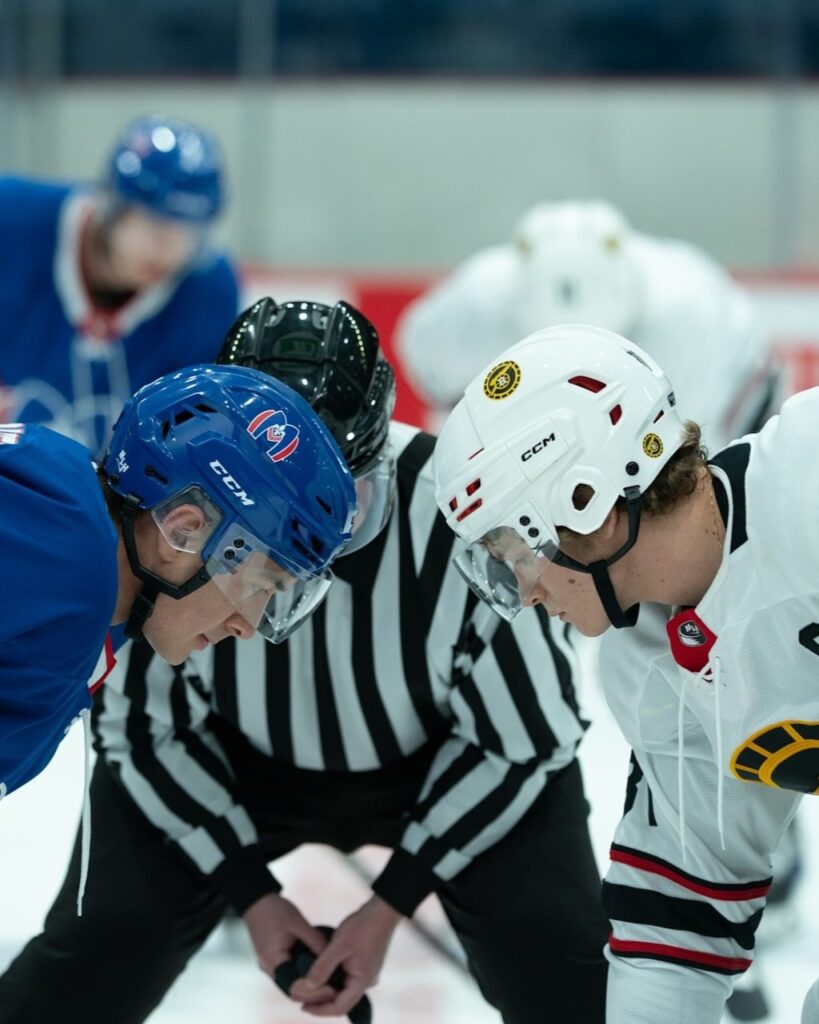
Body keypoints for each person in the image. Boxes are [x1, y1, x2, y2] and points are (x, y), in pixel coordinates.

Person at [0, 299, 610, 1024]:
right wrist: (250, 892)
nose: (319, 541)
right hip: (227, 758)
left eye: (340, 502)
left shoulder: (457, 505)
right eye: (272, 553)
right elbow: (142, 730)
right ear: (189, 516)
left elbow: (526, 734)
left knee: (559, 958)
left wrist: (390, 903)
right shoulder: (124, 565)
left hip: (444, 763)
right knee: (99, 949)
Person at [432, 323, 819, 1024]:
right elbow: (679, 927)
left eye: (513, 549)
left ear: (587, 502)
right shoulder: (653, 671)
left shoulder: (807, 474)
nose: (522, 591)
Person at [0, 361, 355, 810]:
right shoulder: (65, 563)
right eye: (260, 584)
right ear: (185, 532)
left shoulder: (92, 573)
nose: (247, 626)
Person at [397, 199, 778, 445]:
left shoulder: (693, 316)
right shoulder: (474, 306)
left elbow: (689, 454)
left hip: (744, 392)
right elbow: (434, 385)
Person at [0, 114, 240, 455]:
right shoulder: (10, 222)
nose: (172, 250)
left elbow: (191, 440)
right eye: (156, 224)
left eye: (190, 232)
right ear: (112, 204)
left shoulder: (207, 291)